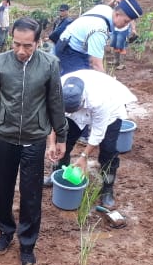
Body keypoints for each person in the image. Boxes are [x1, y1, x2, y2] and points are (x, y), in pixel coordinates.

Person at [0, 17, 67, 265]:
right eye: (17, 44)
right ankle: (5, 233)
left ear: (38, 42)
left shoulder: (49, 64)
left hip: (35, 139)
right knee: (2, 189)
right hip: (5, 136)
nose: (21, 51)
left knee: (31, 193)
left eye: (28, 46)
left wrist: (61, 136)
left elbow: (56, 103)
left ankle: (27, 245)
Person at [50, 70, 137, 209]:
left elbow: (98, 132)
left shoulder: (100, 99)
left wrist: (84, 156)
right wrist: (52, 144)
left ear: (82, 100)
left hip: (111, 110)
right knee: (63, 141)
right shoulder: (55, 90)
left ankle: (107, 189)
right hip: (75, 106)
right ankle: (58, 173)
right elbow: (53, 118)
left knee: (108, 150)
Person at [55, 0, 143, 74]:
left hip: (77, 46)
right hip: (69, 50)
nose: (126, 25)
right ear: (117, 14)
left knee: (88, 76)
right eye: (126, 21)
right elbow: (96, 65)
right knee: (78, 82)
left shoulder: (105, 9)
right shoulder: (99, 30)